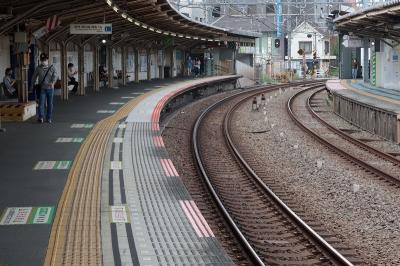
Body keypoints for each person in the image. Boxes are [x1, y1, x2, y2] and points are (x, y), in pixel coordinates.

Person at [31, 53, 57, 123]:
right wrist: (31, 86)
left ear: (47, 59)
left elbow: (55, 76)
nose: (43, 61)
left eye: (44, 60)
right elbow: (34, 77)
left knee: (50, 104)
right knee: (41, 103)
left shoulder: (52, 67)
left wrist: (52, 82)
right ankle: (41, 117)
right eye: (42, 60)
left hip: (50, 89)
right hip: (42, 88)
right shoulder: (38, 68)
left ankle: (48, 118)